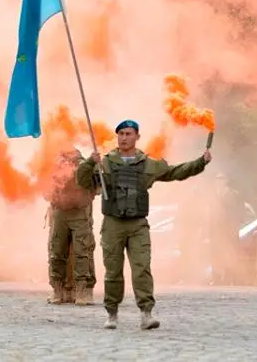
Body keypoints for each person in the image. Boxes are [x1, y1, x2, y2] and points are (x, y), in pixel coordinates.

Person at [76, 119, 211, 330]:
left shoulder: (147, 164)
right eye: (121, 133)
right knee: (113, 271)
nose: (124, 138)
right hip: (113, 224)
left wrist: (200, 162)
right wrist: (88, 163)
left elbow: (175, 172)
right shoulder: (105, 163)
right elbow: (83, 181)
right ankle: (112, 313)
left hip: (137, 224)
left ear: (137, 137)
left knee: (142, 269)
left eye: (128, 134)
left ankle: (146, 313)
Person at [44, 149, 98, 305]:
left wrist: (91, 163)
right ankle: (58, 289)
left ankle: (82, 290)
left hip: (79, 211)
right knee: (56, 251)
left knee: (82, 252)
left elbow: (93, 186)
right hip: (60, 211)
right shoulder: (52, 161)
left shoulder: (83, 162)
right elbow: (45, 190)